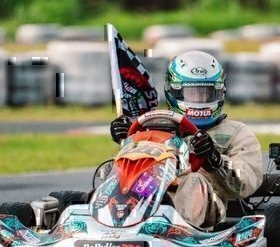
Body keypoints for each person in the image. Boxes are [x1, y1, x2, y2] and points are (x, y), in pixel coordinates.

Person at [110, 51, 263, 228]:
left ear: (220, 92)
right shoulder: (152, 125)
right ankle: (104, 219)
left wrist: (214, 159)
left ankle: (172, 227)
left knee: (191, 181)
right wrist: (126, 138)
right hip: (149, 190)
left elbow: (244, 183)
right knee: (109, 171)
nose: (199, 101)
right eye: (192, 94)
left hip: (209, 200)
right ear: (173, 91)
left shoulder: (236, 132)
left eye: (206, 94)